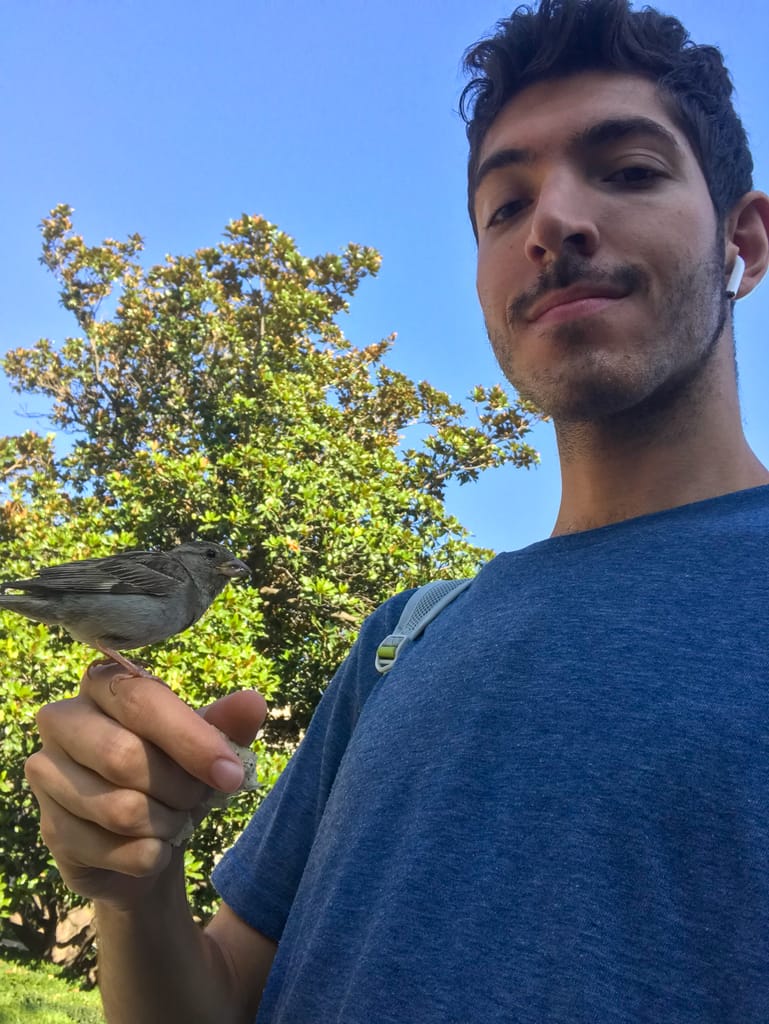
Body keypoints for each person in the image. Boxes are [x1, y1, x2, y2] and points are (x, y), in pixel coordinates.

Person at [24, 0, 769, 1020]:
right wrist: (134, 886)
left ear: (746, 238)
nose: (551, 222)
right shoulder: (403, 638)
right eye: (504, 207)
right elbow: (217, 997)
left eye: (628, 170)